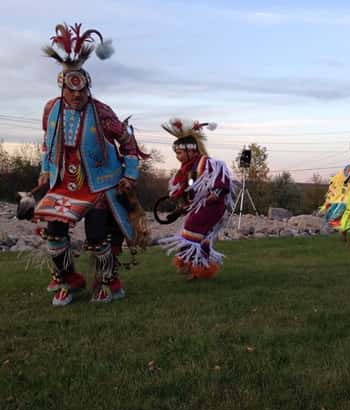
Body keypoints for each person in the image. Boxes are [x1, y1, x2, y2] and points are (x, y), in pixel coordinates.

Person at [34, 23, 149, 306]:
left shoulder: (101, 111)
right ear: (62, 86)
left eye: (81, 91)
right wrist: (45, 171)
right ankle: (67, 279)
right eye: (71, 91)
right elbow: (49, 144)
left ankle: (109, 281)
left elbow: (129, 143)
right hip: (63, 183)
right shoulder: (52, 109)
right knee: (54, 232)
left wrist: (130, 176)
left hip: (99, 183)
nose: (76, 96)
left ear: (88, 86)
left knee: (98, 236)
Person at [159, 119, 234, 279]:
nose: (178, 157)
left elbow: (221, 174)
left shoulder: (206, 162)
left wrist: (218, 192)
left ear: (191, 151)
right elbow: (190, 191)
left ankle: (188, 263)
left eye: (179, 153)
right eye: (176, 153)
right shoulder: (188, 169)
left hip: (213, 206)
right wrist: (179, 209)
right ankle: (201, 269)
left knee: (191, 227)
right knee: (202, 236)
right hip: (203, 206)